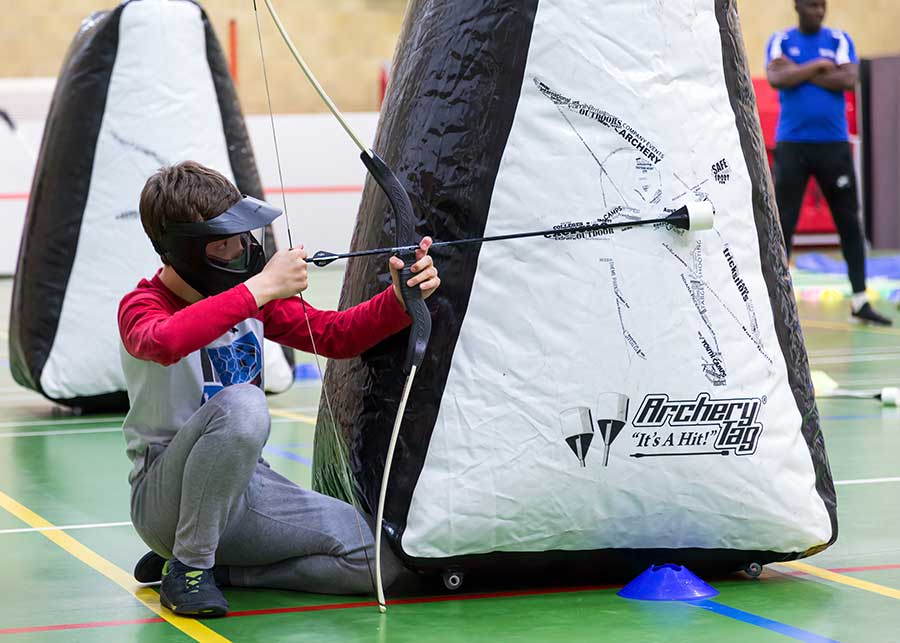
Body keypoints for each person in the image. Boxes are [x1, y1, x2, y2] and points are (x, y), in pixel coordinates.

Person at [119, 161, 441, 618]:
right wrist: (261, 287)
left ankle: (224, 569)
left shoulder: (254, 297)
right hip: (164, 500)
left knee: (379, 561)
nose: (242, 251)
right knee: (244, 404)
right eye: (224, 245)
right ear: (183, 251)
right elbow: (164, 342)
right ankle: (190, 566)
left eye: (242, 238)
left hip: (249, 487)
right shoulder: (142, 305)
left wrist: (398, 298)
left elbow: (334, 335)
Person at [766, 0, 891, 326]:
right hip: (793, 145)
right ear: (797, 6)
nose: (818, 11)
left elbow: (848, 80)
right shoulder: (781, 39)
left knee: (849, 222)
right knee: (784, 225)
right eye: (811, 5)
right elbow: (776, 78)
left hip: (833, 145)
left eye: (822, 5)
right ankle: (776, 304)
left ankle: (860, 301)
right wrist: (820, 65)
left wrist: (799, 71)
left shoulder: (839, 39)